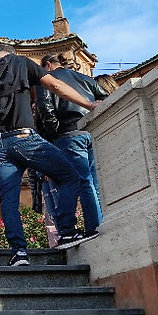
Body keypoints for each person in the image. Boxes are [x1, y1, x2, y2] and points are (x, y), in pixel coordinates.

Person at [0, 44, 101, 267]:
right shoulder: (21, 63)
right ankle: (67, 231)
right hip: (25, 139)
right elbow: (56, 85)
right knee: (69, 175)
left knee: (9, 199)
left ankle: (19, 253)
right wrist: (89, 104)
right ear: (10, 55)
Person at [36, 54, 109, 239]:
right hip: (89, 132)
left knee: (80, 182)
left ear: (48, 65)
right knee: (92, 182)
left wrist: (53, 132)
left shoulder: (47, 80)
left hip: (67, 134)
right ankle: (98, 225)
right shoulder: (85, 79)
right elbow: (105, 96)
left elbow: (45, 108)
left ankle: (94, 229)